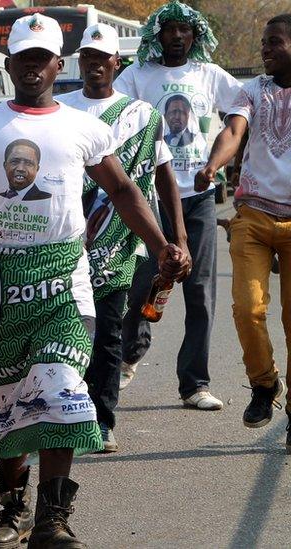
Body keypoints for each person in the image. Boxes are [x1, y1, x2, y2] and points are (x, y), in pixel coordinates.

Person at [0, 14, 189, 547]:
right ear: (9, 66)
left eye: (41, 58)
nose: (32, 67)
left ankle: (53, 517)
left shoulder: (84, 128)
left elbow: (122, 191)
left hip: (65, 277)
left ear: (58, 65)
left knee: (63, 390)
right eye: (23, 59)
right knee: (8, 402)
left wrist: (164, 242)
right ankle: (12, 509)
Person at [57, 23, 188, 454]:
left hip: (119, 242)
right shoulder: (60, 110)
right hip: (66, 241)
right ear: (79, 62)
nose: (94, 65)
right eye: (87, 58)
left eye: (102, 58)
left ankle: (102, 420)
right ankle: (67, 415)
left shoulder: (141, 116)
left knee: (109, 333)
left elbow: (164, 175)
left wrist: (177, 237)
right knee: (69, 333)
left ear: (117, 63)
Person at [113, 0, 241, 409]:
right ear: (158, 35)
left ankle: (195, 384)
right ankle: (129, 354)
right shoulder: (138, 75)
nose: (178, 36)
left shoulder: (209, 75)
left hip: (199, 197)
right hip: (150, 198)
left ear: (196, 36)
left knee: (200, 291)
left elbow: (243, 109)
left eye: (185, 30)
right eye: (170, 29)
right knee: (141, 282)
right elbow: (114, 118)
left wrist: (220, 161)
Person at [197, 14, 291, 450]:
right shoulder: (251, 90)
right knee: (247, 307)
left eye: (274, 42)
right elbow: (234, 130)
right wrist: (214, 165)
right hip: (252, 215)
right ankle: (264, 384)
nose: (264, 49)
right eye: (263, 42)